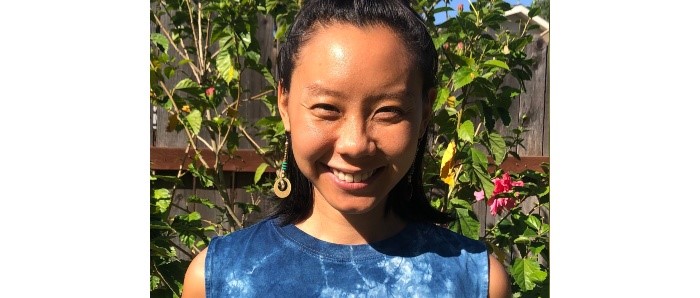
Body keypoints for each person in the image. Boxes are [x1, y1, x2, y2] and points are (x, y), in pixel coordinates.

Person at [182, 0, 511, 297]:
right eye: (327, 109)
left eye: (389, 112)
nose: (355, 144)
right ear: (284, 104)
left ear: (425, 111)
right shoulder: (217, 279)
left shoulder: (475, 282)